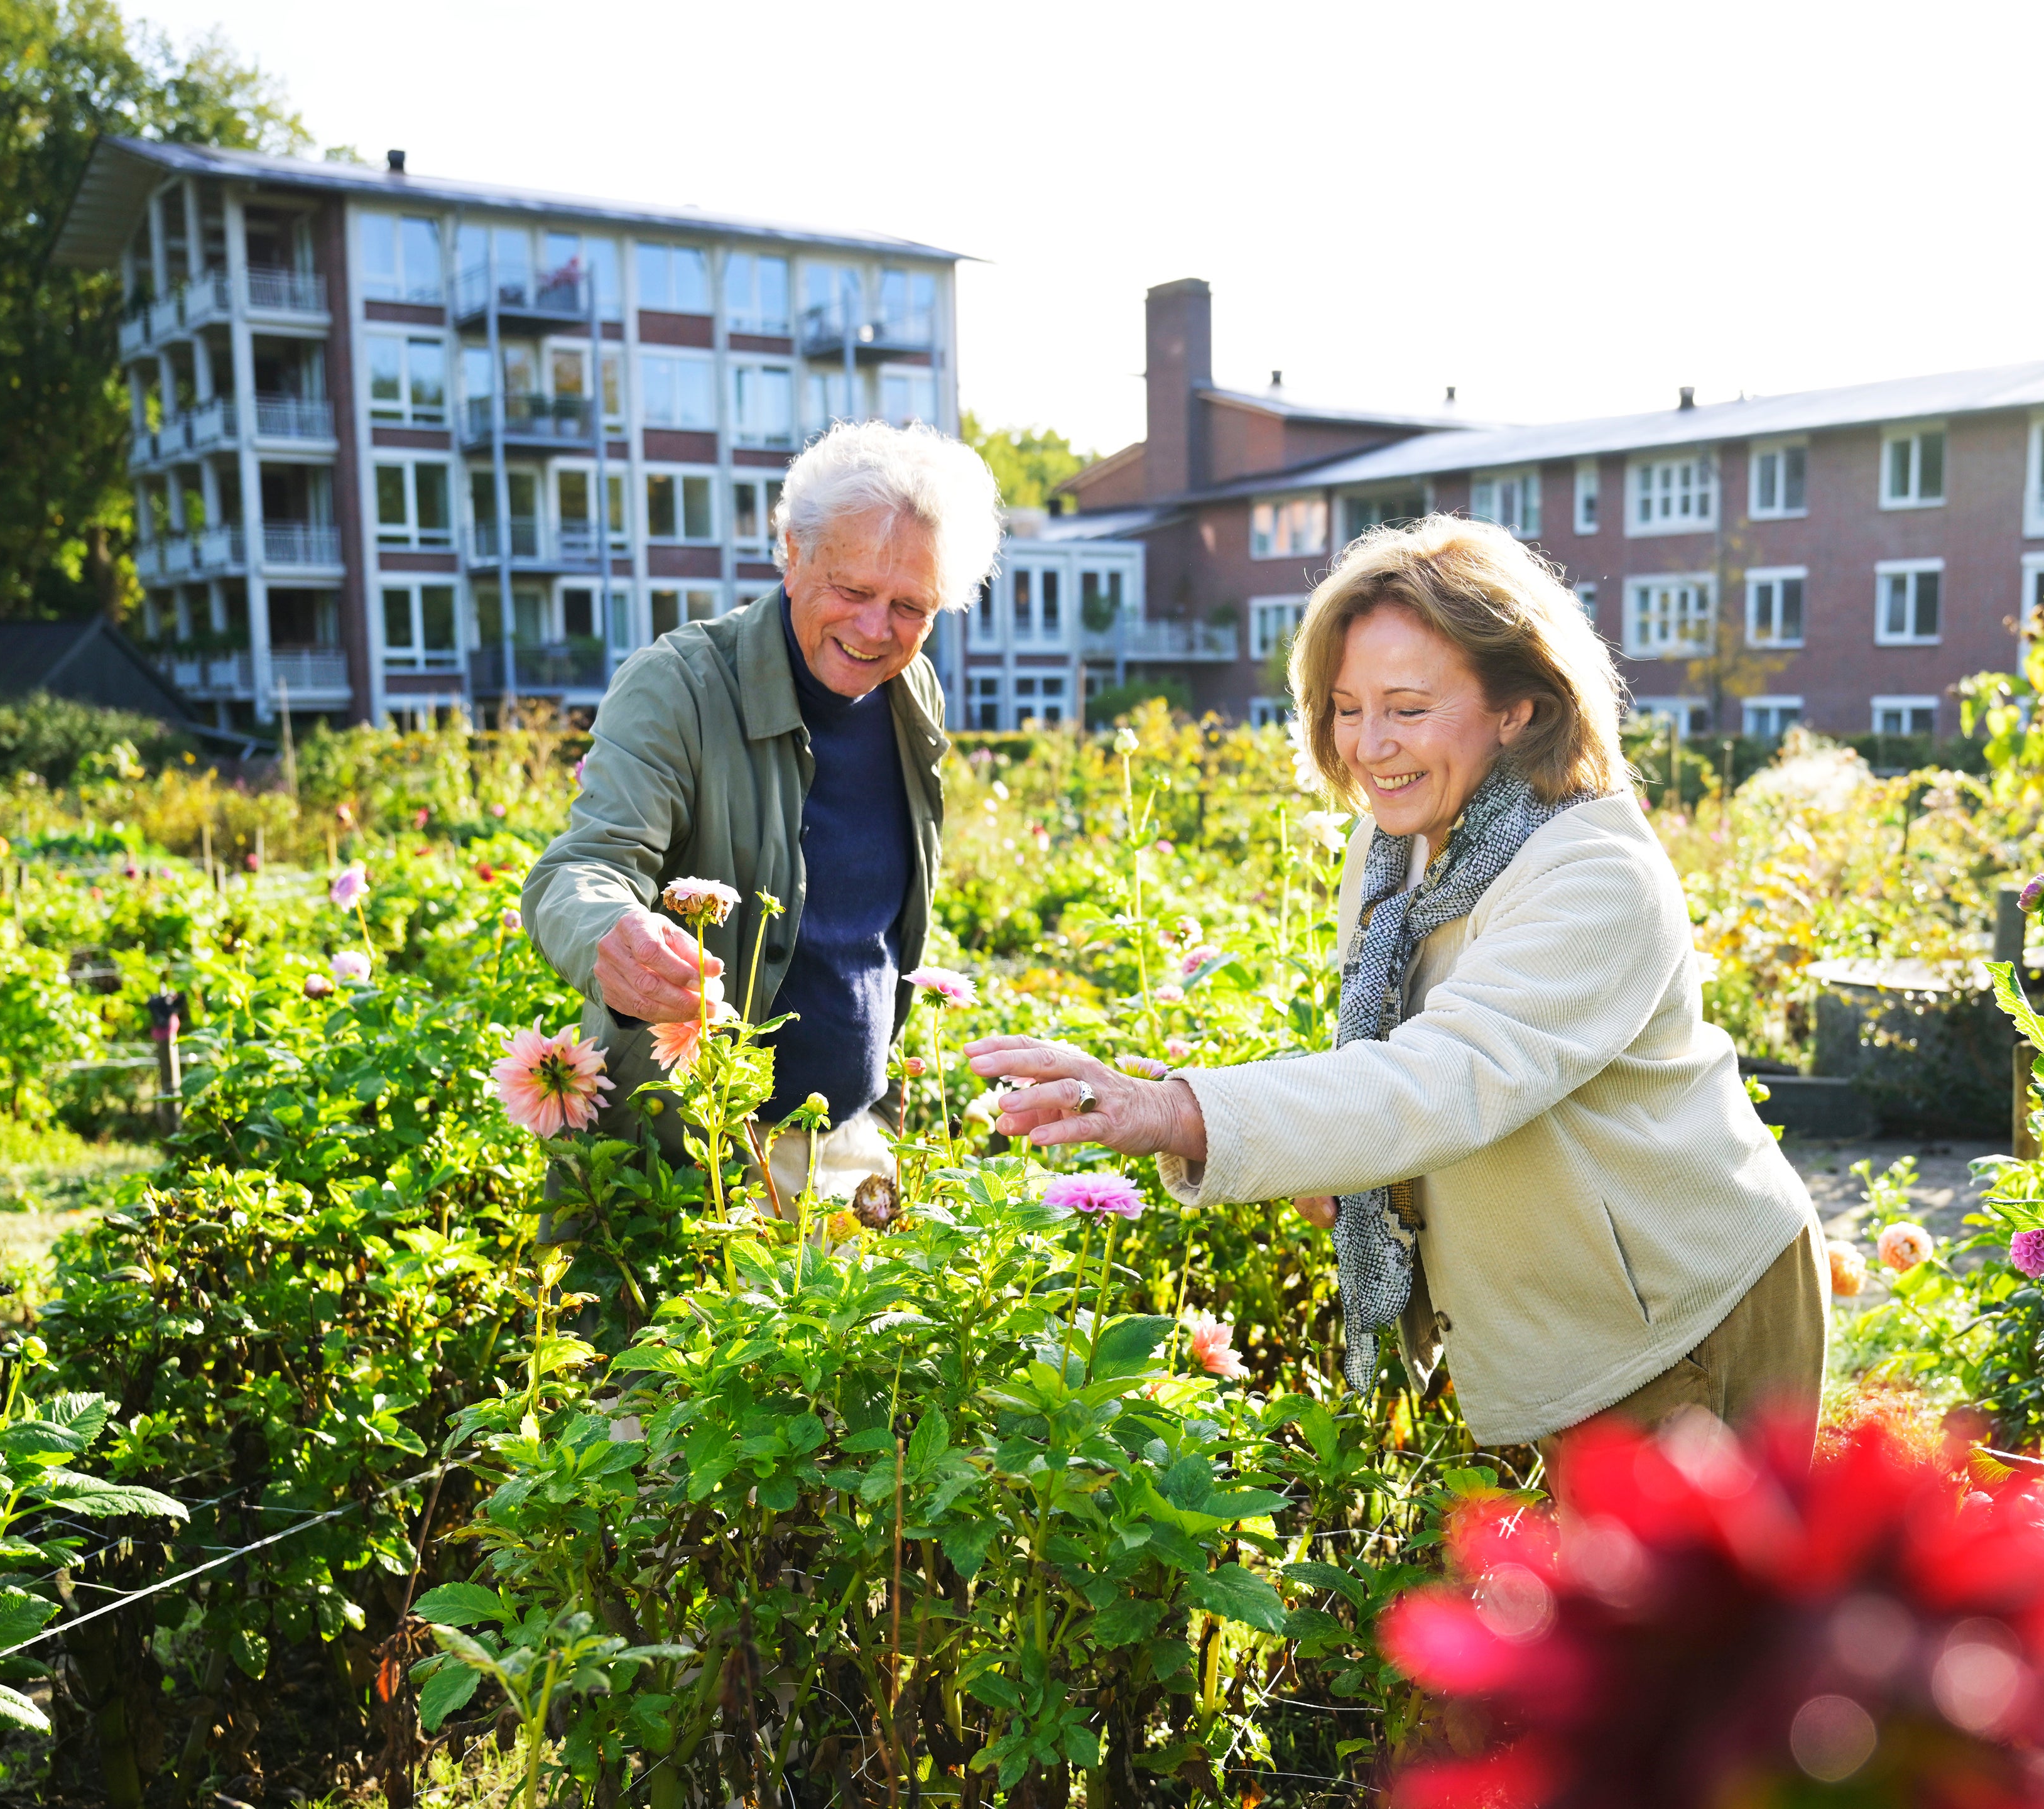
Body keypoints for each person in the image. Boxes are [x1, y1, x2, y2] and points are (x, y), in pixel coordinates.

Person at [965, 514, 1827, 1448]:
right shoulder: (1394, 851)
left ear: (1519, 708)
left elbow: (1447, 1077)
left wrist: (1174, 1110)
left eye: (1408, 709)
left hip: (1678, 1317)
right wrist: (1329, 1156)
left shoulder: (1594, 873)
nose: (1368, 746)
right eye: (1347, 707)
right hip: (1567, 1311)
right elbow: (1390, 1064)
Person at [521, 419, 1000, 1203]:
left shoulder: (912, 694)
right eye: (852, 590)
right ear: (791, 551)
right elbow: (583, 867)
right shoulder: (678, 686)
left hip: (856, 1140)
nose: (874, 629)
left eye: (910, 605)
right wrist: (612, 930)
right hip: (701, 1154)